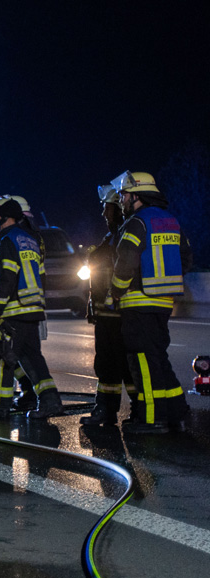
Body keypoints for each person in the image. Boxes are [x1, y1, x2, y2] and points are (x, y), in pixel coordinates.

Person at [109, 171, 193, 433]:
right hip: (164, 303)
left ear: (137, 196)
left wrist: (116, 290)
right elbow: (186, 259)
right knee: (158, 358)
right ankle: (177, 412)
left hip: (138, 304)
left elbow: (126, 262)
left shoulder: (136, 223)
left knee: (143, 362)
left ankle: (153, 419)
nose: (122, 200)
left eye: (124, 195)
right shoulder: (171, 221)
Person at [0, 197, 63, 419]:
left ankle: (0, 404)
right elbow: (41, 277)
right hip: (32, 311)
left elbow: (6, 279)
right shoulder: (31, 240)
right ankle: (51, 401)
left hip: (13, 312)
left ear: (2, 217)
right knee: (33, 359)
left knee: (4, 356)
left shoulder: (8, 241)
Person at [80, 184, 134, 426]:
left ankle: (137, 410)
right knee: (107, 364)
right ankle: (106, 410)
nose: (104, 213)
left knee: (125, 364)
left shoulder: (125, 234)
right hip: (106, 313)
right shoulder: (112, 236)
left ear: (119, 208)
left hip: (120, 313)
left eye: (107, 208)